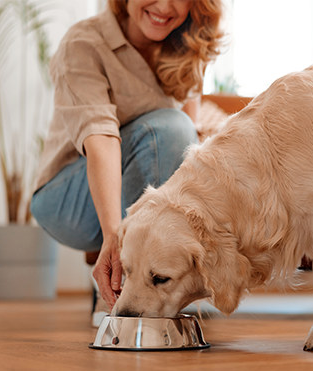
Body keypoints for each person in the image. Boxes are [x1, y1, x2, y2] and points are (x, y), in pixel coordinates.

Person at [30, 0, 224, 326]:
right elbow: (101, 139)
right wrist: (114, 236)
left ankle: (153, 292)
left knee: (181, 132)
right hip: (69, 200)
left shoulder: (187, 45)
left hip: (133, 187)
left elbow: (188, 152)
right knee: (170, 127)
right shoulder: (83, 43)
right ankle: (122, 293)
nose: (164, 6)